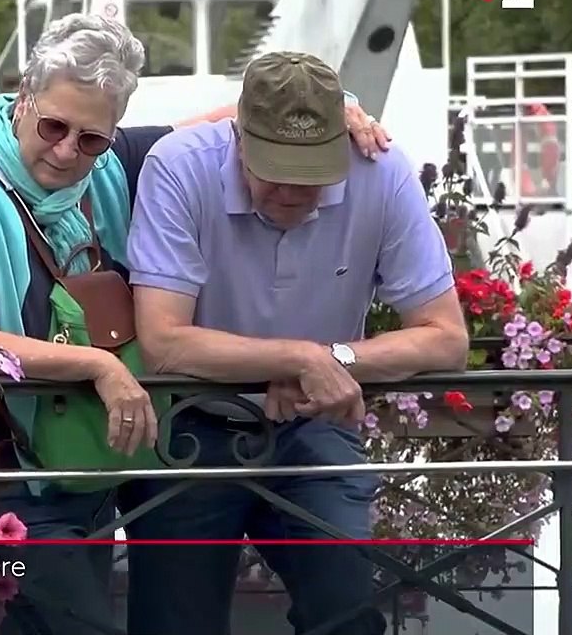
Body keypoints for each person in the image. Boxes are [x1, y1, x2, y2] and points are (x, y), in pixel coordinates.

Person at [0, 16, 389, 633]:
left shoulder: (102, 166)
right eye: (53, 127)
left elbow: (217, 126)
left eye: (91, 139)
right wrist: (98, 365)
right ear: (22, 100)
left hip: (86, 465)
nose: (67, 151)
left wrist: (328, 112)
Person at [122, 51, 470, 635]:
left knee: (347, 615)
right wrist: (299, 357)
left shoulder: (381, 171)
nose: (293, 190)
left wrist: (332, 361)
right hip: (189, 422)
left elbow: (447, 338)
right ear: (237, 136)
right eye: (275, 169)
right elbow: (162, 344)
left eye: (312, 172)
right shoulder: (180, 165)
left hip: (314, 423)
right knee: (174, 624)